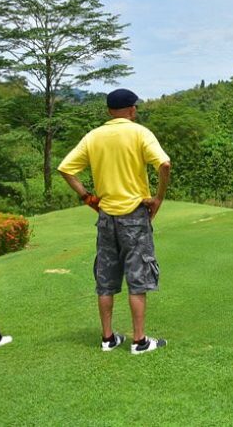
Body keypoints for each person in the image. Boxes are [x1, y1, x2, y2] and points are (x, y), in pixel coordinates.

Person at [58, 88, 172, 355]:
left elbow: (65, 169)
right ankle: (139, 341)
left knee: (106, 279)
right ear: (132, 110)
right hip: (134, 215)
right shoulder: (140, 132)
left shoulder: (93, 136)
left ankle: (108, 338)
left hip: (106, 217)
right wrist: (157, 198)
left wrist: (87, 197)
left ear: (109, 111)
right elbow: (164, 165)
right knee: (138, 278)